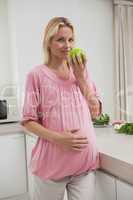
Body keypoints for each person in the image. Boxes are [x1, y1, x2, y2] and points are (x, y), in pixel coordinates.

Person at [21, 17, 102, 200]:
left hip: (84, 167)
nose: (68, 45)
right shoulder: (36, 75)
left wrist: (81, 78)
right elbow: (28, 121)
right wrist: (61, 139)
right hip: (52, 168)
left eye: (71, 39)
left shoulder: (81, 70)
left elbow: (95, 113)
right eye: (60, 40)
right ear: (48, 43)